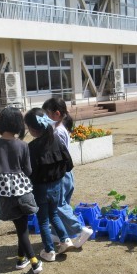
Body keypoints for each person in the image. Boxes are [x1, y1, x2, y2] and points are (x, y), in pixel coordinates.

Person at [0, 107, 42, 274]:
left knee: (21, 227)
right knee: (22, 227)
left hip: (5, 195)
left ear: (0, 124)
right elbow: (28, 170)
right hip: (22, 191)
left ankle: (21, 259)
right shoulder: (23, 145)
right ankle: (34, 261)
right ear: (18, 124)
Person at [25, 108, 75, 262]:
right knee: (54, 214)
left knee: (43, 220)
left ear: (32, 129)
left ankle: (49, 250)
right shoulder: (57, 140)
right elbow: (69, 164)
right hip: (57, 185)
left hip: (40, 188)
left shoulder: (32, 147)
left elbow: (28, 171)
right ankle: (66, 240)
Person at [42, 97, 93, 248]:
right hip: (66, 173)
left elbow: (53, 154)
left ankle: (80, 230)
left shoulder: (56, 132)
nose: (45, 117)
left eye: (47, 114)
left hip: (60, 174)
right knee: (62, 206)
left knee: (58, 205)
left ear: (57, 114)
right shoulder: (61, 128)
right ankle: (57, 234)